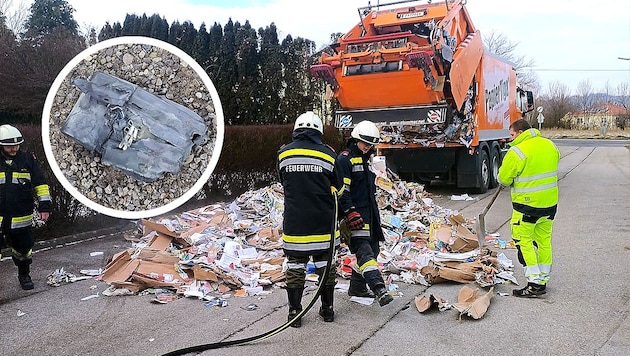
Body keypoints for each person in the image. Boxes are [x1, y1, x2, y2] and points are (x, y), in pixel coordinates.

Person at [277, 112, 342, 327]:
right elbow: (339, 188)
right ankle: (328, 310)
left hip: (295, 223)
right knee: (326, 266)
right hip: (323, 223)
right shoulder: (329, 155)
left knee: (295, 267)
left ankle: (294, 313)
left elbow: (283, 181)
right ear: (319, 132)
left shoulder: (284, 153)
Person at [498, 118, 560, 298]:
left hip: (527, 206)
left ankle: (534, 283)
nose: (510, 138)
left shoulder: (516, 151)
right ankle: (543, 278)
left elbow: (503, 179)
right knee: (543, 241)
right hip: (549, 205)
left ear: (519, 132)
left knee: (522, 240)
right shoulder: (550, 145)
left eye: (511, 134)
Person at [336, 120, 393, 307]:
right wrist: (350, 212)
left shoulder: (365, 158)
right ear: (355, 139)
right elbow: (342, 191)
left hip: (370, 215)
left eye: (370, 144)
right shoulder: (345, 159)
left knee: (374, 250)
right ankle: (379, 289)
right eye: (365, 143)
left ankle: (357, 287)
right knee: (365, 252)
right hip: (355, 218)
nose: (367, 147)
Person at [0, 124, 52, 290]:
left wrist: (44, 206)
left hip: (21, 216)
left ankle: (24, 275)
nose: (14, 148)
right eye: (10, 146)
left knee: (23, 250)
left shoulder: (28, 160)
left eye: (17, 145)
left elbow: (40, 184)